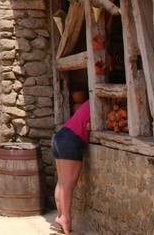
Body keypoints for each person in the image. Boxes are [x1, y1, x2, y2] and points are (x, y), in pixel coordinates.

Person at [53, 99, 91, 235]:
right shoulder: (100, 105)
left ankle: (60, 215)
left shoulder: (87, 103)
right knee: (69, 183)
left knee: (62, 181)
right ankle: (65, 219)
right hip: (71, 139)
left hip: (59, 137)